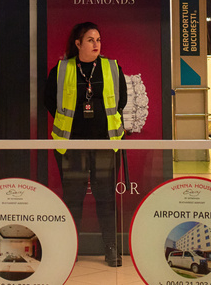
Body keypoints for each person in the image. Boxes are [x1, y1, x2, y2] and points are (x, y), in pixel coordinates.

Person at [45, 22, 128, 267]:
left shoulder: (112, 68)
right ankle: (70, 249)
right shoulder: (61, 69)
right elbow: (49, 101)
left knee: (106, 198)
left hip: (105, 144)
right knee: (73, 198)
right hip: (72, 146)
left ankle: (111, 248)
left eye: (98, 40)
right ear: (78, 43)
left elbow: (121, 100)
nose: (96, 44)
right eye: (90, 40)